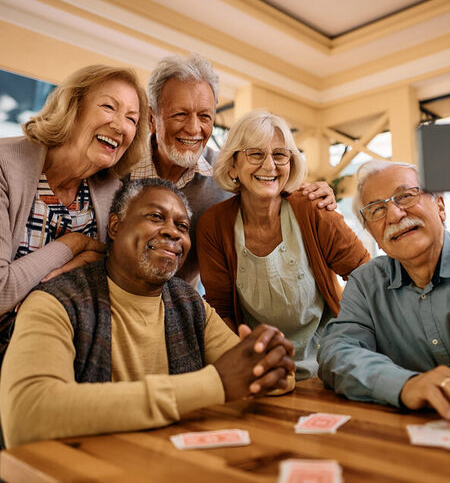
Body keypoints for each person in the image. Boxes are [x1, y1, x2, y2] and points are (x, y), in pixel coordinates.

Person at [0, 178, 295, 449]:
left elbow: (256, 376)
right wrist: (214, 384)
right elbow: (28, 414)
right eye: (156, 217)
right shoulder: (56, 302)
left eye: (182, 226)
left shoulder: (189, 303)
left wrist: (272, 361)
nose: (172, 232)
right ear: (115, 227)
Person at [318, 159, 450, 423]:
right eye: (376, 210)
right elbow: (336, 352)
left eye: (405, 196)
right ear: (372, 231)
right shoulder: (367, 284)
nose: (394, 215)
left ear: (440, 205)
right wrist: (405, 385)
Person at [130, 54, 337, 285]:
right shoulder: (118, 168)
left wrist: (315, 195)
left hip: (184, 307)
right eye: (180, 114)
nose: (193, 128)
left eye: (205, 116)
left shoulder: (229, 171)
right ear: (151, 118)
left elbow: (273, 190)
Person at [196, 110, 370, 380]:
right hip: (261, 369)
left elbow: (364, 274)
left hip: (330, 365)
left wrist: (346, 339)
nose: (270, 166)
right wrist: (248, 363)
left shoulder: (313, 207)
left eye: (279, 155)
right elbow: (221, 311)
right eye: (255, 154)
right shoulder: (213, 225)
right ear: (232, 165)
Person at [0, 64, 148, 359]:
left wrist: (100, 257)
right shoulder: (5, 165)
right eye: (109, 107)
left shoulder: (113, 191)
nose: (120, 126)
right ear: (73, 107)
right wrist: (75, 244)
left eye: (132, 119)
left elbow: (118, 275)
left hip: (71, 348)